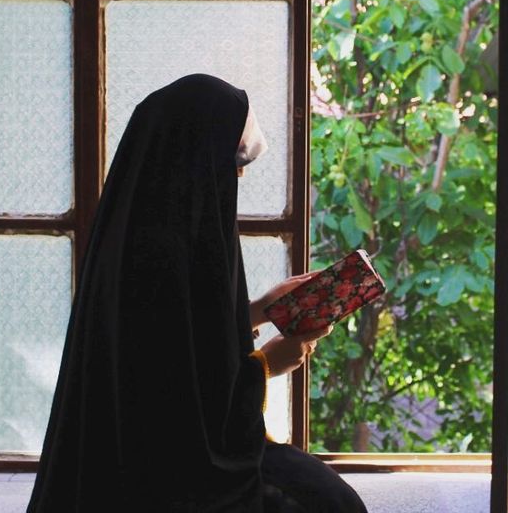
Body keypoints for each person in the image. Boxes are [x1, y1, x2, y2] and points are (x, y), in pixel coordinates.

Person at [25, 73, 369, 512]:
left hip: (134, 452)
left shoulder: (139, 226)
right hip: (162, 473)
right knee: (331, 505)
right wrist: (266, 365)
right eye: (234, 159)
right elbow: (175, 404)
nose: (238, 173)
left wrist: (259, 310)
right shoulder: (163, 248)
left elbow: (184, 339)